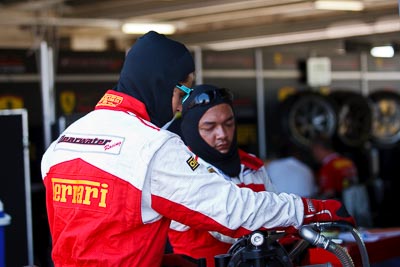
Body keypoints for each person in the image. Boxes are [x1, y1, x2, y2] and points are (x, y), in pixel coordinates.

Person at [41, 31, 355, 267]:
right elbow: (233, 211)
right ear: (162, 83)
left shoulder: (64, 143)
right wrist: (311, 210)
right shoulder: (152, 147)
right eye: (183, 88)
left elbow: (92, 241)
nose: (180, 103)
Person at [167, 84, 276, 267]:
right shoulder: (180, 172)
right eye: (210, 127)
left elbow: (277, 219)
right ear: (192, 129)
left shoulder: (252, 166)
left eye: (229, 123)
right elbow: (231, 224)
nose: (222, 134)